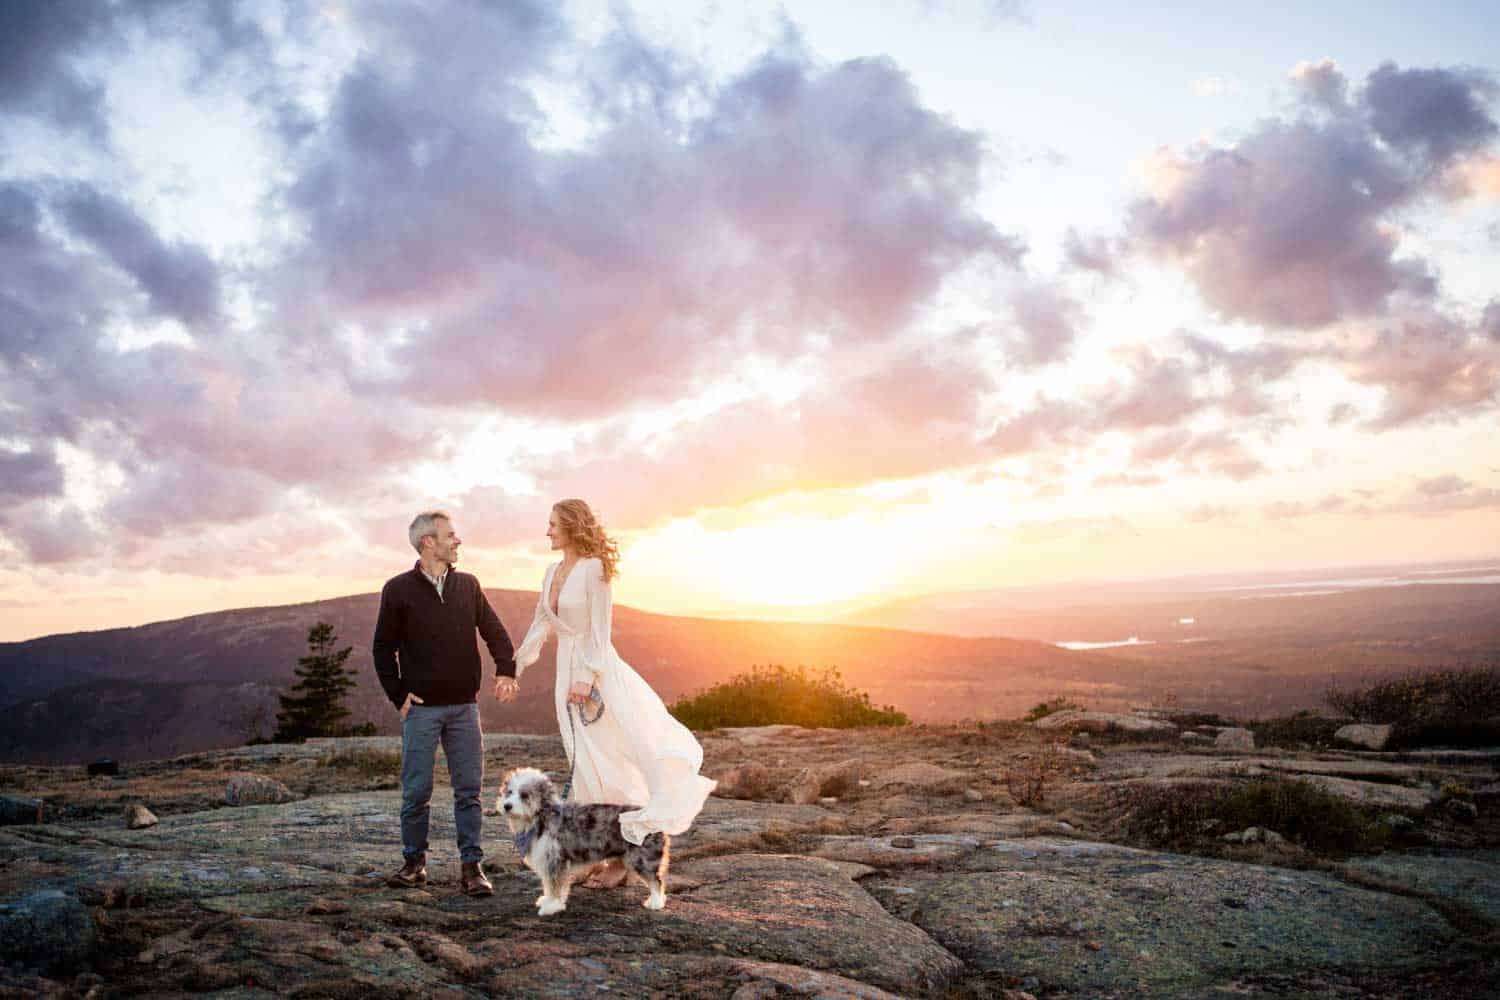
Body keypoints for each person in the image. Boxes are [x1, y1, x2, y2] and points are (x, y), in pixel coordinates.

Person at [513, 499, 715, 888]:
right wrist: (515, 666)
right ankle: (594, 851)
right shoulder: (552, 571)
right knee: (581, 759)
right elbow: (542, 623)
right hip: (564, 672)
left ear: (572, 526)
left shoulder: (595, 569)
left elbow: (601, 631)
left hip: (595, 673)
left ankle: (624, 853)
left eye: (553, 524)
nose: (548, 531)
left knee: (607, 759)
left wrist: (588, 678)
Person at [373, 510, 519, 896]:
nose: (458, 541)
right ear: (428, 543)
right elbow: (383, 648)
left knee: (468, 791)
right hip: (421, 710)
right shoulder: (398, 589)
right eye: (451, 536)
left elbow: (493, 630)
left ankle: (472, 869)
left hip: (464, 709)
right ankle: (413, 865)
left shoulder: (468, 585)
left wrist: (507, 669)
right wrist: (398, 696)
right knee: (416, 792)